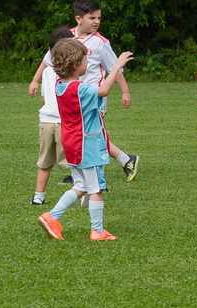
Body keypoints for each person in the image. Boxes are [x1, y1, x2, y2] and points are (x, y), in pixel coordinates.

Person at [27, 0, 140, 185]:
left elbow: (115, 68)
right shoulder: (66, 37)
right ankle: (119, 161)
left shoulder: (100, 43)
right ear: (78, 19)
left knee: (91, 135)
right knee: (81, 135)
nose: (96, 22)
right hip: (72, 98)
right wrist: (35, 80)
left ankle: (93, 176)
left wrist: (125, 91)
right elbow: (47, 60)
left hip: (92, 98)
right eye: (92, 18)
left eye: (99, 18)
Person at [38, 39, 134, 241]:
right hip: (87, 145)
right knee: (96, 188)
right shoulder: (79, 89)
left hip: (72, 145)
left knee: (81, 186)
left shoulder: (60, 86)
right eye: (85, 60)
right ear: (75, 65)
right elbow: (103, 90)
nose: (88, 63)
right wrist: (116, 66)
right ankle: (97, 231)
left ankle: (52, 217)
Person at [31, 29, 73, 205]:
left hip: (46, 122)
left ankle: (38, 196)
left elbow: (44, 98)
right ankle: (83, 193)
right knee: (75, 162)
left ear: (50, 51)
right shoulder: (73, 74)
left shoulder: (47, 71)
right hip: (65, 123)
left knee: (45, 162)